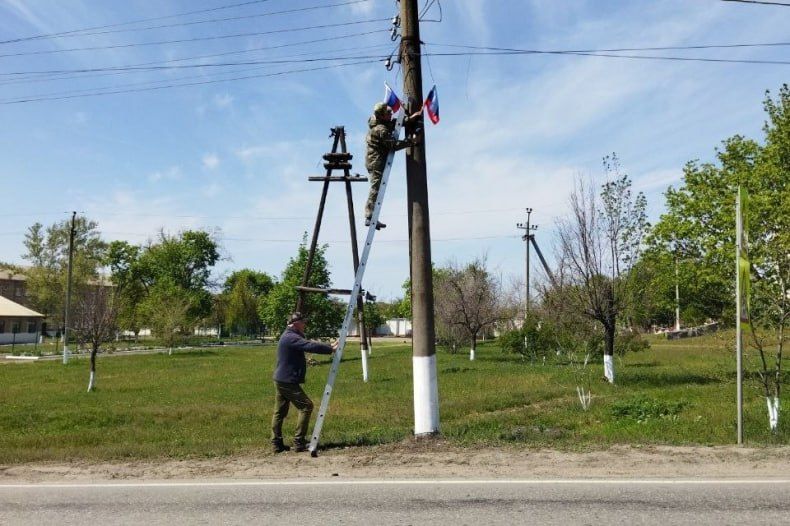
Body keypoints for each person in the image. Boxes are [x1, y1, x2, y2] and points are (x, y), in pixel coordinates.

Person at [270, 311, 337, 453]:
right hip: (286, 381)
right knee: (306, 406)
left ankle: (276, 444)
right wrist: (330, 349)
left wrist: (329, 345)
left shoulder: (290, 335)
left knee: (279, 413)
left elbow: (308, 343)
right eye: (303, 322)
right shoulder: (290, 337)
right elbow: (308, 346)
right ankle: (299, 442)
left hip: (281, 379)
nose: (305, 324)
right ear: (295, 324)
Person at [364, 102, 422, 230]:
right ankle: (369, 217)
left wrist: (409, 119)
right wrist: (410, 141)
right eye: (388, 113)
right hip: (376, 162)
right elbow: (393, 145)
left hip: (375, 160)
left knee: (377, 187)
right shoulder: (380, 130)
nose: (391, 114)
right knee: (376, 188)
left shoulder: (381, 123)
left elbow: (393, 124)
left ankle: (371, 217)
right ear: (382, 115)